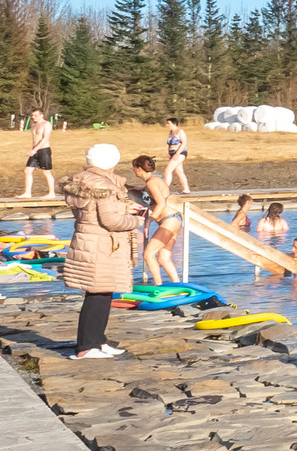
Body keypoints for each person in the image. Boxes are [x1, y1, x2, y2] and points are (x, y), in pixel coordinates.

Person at [61, 143, 137, 360]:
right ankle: (86, 346)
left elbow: (93, 212)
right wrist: (136, 219)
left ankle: (98, 340)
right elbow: (111, 220)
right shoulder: (103, 185)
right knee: (98, 294)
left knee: (101, 292)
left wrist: (123, 207)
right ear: (112, 161)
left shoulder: (82, 180)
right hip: (103, 244)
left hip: (89, 241)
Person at [130, 156, 181, 284]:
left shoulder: (151, 182)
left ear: (139, 169)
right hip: (174, 219)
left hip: (169, 220)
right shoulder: (154, 179)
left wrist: (148, 222)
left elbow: (161, 203)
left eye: (134, 168)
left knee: (148, 254)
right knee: (163, 259)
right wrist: (139, 189)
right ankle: (179, 286)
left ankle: (158, 285)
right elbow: (155, 191)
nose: (133, 171)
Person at [20, 107, 55, 199]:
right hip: (35, 151)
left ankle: (51, 193)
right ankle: (27, 193)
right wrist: (34, 150)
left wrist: (35, 150)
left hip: (44, 150)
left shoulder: (46, 124)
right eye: (32, 115)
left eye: (36, 115)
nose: (33, 117)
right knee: (27, 170)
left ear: (41, 115)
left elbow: (45, 138)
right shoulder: (34, 125)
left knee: (46, 172)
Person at [162, 118, 190, 194]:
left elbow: (184, 143)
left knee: (168, 169)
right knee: (179, 171)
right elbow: (169, 144)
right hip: (172, 153)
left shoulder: (180, 131)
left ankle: (165, 188)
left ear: (174, 123)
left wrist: (177, 153)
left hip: (180, 153)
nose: (167, 125)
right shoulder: (171, 132)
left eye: (169, 123)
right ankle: (186, 189)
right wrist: (169, 153)